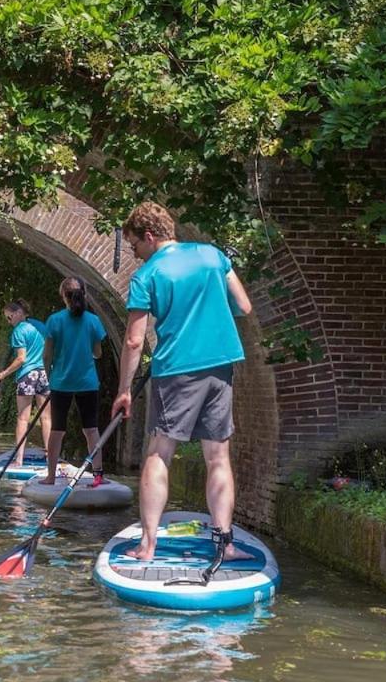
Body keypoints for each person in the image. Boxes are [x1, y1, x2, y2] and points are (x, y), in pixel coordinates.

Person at [110, 202, 253, 562]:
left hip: (176, 370)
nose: (135, 255)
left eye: (134, 247)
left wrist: (124, 391)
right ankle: (226, 545)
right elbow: (244, 306)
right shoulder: (213, 256)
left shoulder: (147, 275)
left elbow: (133, 341)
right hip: (220, 364)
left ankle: (148, 546)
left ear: (149, 236)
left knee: (159, 452)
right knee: (218, 456)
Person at [40, 277, 107, 487]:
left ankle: (50, 477)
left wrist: (50, 378)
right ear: (84, 294)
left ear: (63, 296)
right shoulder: (93, 321)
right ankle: (98, 475)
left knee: (57, 431)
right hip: (88, 382)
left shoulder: (54, 320)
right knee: (91, 429)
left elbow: (46, 356)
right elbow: (98, 353)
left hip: (61, 382)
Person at [0, 298, 51, 467]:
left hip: (27, 375)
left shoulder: (18, 331)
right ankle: (51, 457)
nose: (8, 321)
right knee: (46, 417)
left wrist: (4, 373)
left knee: (22, 418)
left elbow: (21, 359)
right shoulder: (39, 325)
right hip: (44, 374)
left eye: (9, 317)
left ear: (19, 313)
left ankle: (19, 460)